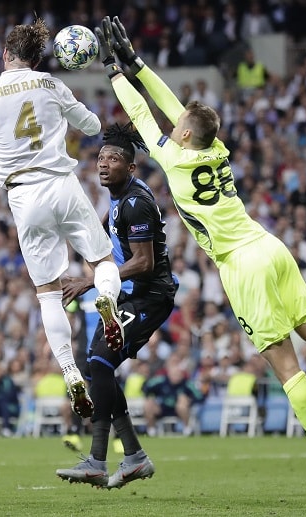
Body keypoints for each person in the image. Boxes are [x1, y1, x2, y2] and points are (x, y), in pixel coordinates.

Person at [94, 16, 306, 504]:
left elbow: (142, 114)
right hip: (271, 245)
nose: (172, 126)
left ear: (182, 138)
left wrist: (116, 72)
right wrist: (137, 61)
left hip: (242, 264)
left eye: (176, 128)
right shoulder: (214, 148)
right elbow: (176, 109)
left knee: (284, 365)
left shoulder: (176, 160)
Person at [0, 18, 125, 419]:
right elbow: (92, 126)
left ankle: (70, 371)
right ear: (39, 59)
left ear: (6, 55)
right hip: (60, 181)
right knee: (102, 262)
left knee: (48, 292)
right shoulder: (51, 85)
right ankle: (105, 301)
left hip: (23, 195)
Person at [56, 123, 178, 489]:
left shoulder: (137, 204)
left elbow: (144, 263)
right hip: (129, 294)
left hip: (150, 295)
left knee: (98, 361)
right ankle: (134, 456)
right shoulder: (119, 200)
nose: (104, 164)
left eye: (113, 159)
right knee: (98, 367)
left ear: (131, 167)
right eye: (101, 157)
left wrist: (89, 280)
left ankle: (98, 460)